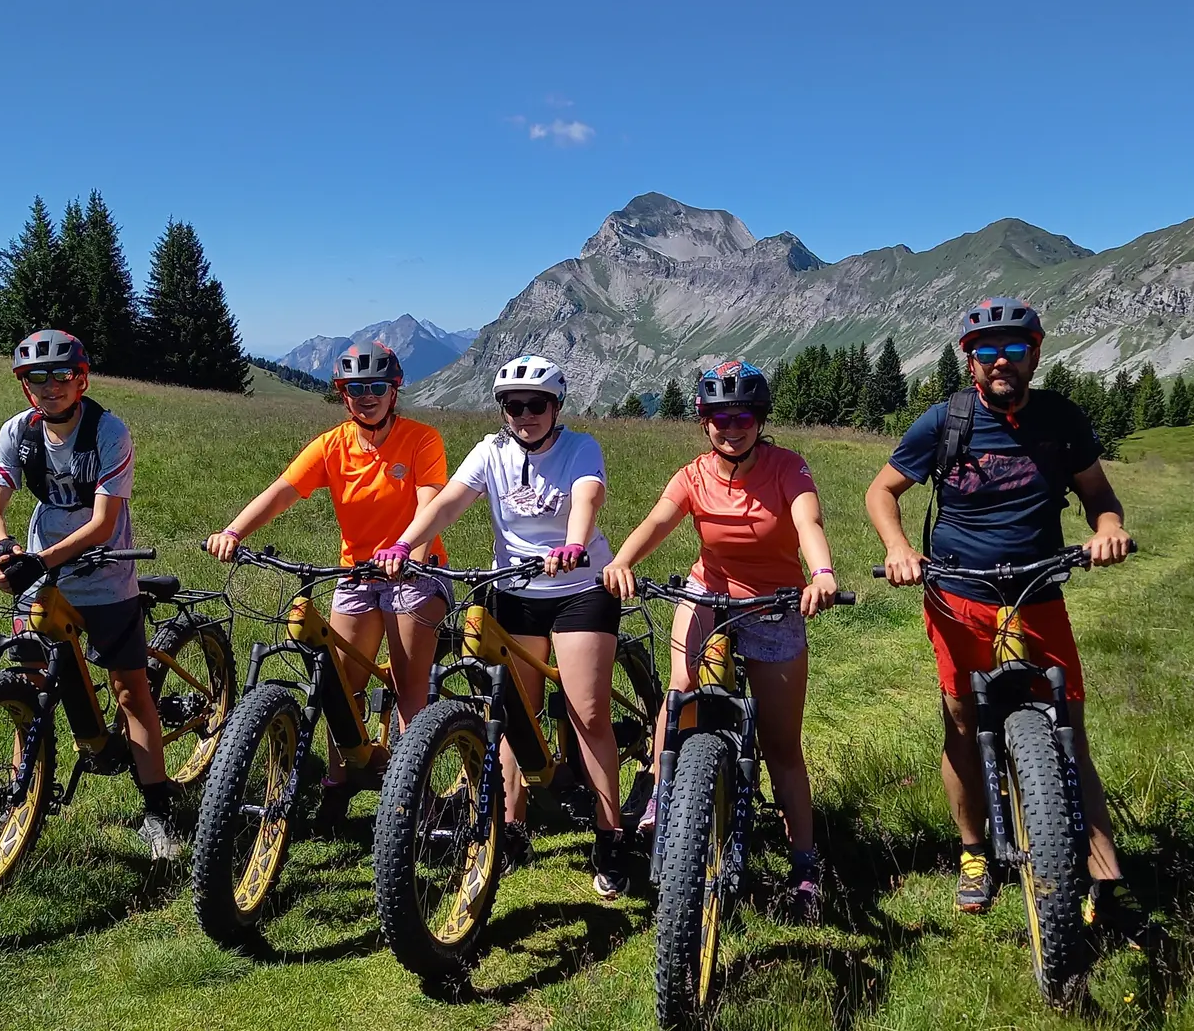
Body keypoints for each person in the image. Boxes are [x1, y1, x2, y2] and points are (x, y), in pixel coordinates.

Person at [863, 296, 1136, 927]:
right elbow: (882, 490)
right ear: (970, 362)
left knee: (1069, 729)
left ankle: (1104, 874)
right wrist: (899, 548)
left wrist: (1110, 528)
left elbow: (1098, 494)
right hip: (959, 594)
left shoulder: (1063, 419)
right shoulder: (945, 422)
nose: (1001, 361)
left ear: (1036, 355)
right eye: (987, 351)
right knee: (961, 722)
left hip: (1038, 589)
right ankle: (974, 851)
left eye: (1016, 349)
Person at [374, 355, 631, 897]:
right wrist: (404, 542)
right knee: (513, 714)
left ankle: (610, 837)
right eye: (514, 406)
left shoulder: (580, 447)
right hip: (514, 592)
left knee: (587, 714)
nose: (525, 415)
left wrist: (576, 543)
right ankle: (511, 828)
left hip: (578, 589)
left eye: (536, 405)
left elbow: (588, 495)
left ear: (555, 406)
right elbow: (448, 503)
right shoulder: (491, 451)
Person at [601, 360, 840, 921]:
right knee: (680, 692)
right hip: (708, 591)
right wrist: (621, 562)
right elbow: (659, 521)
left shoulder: (788, 468)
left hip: (774, 604)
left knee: (782, 745)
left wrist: (822, 573)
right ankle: (665, 793)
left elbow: (809, 524)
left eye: (742, 417)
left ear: (759, 419)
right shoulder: (693, 474)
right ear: (704, 422)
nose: (730, 428)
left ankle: (804, 864)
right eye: (717, 418)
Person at [204, 342, 450, 813]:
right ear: (343, 395)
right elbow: (281, 492)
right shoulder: (332, 445)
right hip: (357, 573)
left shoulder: (422, 439)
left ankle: (412, 796)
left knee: (407, 687)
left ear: (394, 390)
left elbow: (431, 505)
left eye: (376, 386)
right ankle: (340, 782)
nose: (367, 396)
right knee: (341, 685)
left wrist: (409, 553)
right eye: (355, 389)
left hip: (416, 571)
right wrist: (233, 531)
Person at [0, 329, 184, 860]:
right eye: (35, 379)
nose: (49, 388)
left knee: (129, 691)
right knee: (30, 692)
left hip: (106, 571)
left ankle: (158, 811)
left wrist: (36, 563)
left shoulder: (109, 432)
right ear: (26, 386)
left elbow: (102, 523)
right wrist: (5, 551)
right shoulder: (17, 434)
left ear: (81, 379)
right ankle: (25, 799)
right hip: (41, 574)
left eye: (60, 377)